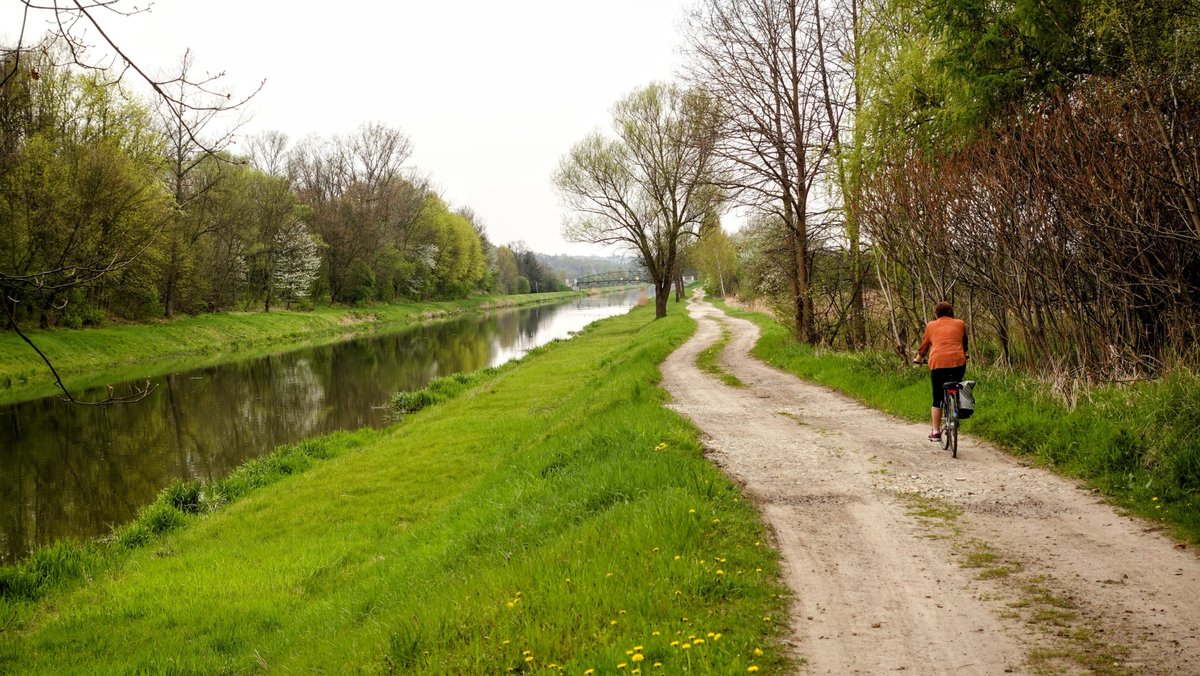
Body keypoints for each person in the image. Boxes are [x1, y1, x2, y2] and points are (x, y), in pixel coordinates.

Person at [913, 300, 968, 440]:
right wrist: (964, 354)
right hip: (958, 362)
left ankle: (936, 431)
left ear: (936, 313)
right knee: (957, 384)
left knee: (937, 397)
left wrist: (918, 359)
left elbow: (924, 346)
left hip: (938, 363)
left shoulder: (931, 325)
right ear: (951, 312)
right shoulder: (960, 323)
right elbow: (964, 343)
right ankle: (957, 407)